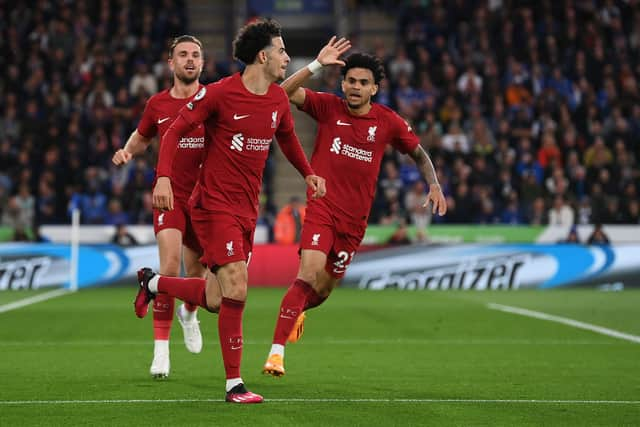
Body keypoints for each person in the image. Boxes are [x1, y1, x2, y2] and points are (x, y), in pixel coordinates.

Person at [134, 20, 326, 403]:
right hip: (212, 206)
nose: (287, 57)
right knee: (238, 285)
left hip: (246, 211)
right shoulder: (219, 94)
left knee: (217, 298)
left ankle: (153, 284)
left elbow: (287, 138)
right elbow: (172, 132)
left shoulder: (275, 99)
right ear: (263, 55)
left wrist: (308, 173)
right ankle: (234, 385)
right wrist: (164, 179)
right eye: (282, 50)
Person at [261, 44, 447, 378]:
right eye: (350, 80)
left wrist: (433, 184)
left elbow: (419, 154)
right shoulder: (328, 106)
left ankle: (298, 311)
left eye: (363, 82)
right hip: (322, 208)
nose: (355, 87)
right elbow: (281, 92)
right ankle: (276, 353)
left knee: (322, 290)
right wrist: (317, 64)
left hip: (354, 223)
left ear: (374, 88)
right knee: (307, 273)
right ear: (342, 83)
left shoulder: (388, 121)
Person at [112, 35, 213, 379]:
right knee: (169, 268)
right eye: (182, 54)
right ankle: (160, 351)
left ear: (202, 63)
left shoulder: (213, 99)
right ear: (170, 63)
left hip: (206, 200)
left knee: (197, 273)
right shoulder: (157, 104)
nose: (189, 60)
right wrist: (127, 151)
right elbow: (142, 137)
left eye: (195, 55)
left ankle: (190, 314)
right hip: (168, 196)